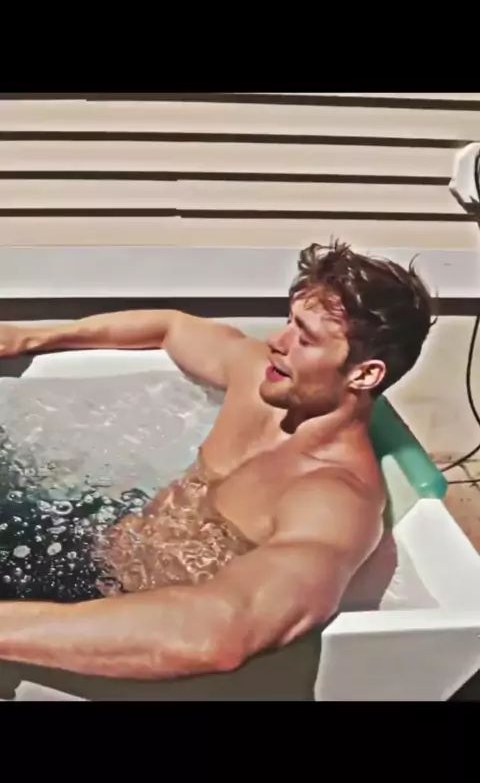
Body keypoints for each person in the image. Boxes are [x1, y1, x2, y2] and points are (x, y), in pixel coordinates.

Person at [0, 240, 433, 680]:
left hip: (120, 619)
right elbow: (170, 327)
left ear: (365, 374)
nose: (277, 342)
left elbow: (218, 632)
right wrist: (32, 338)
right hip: (84, 550)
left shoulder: (334, 500)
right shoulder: (259, 379)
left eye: (305, 339)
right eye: (289, 322)